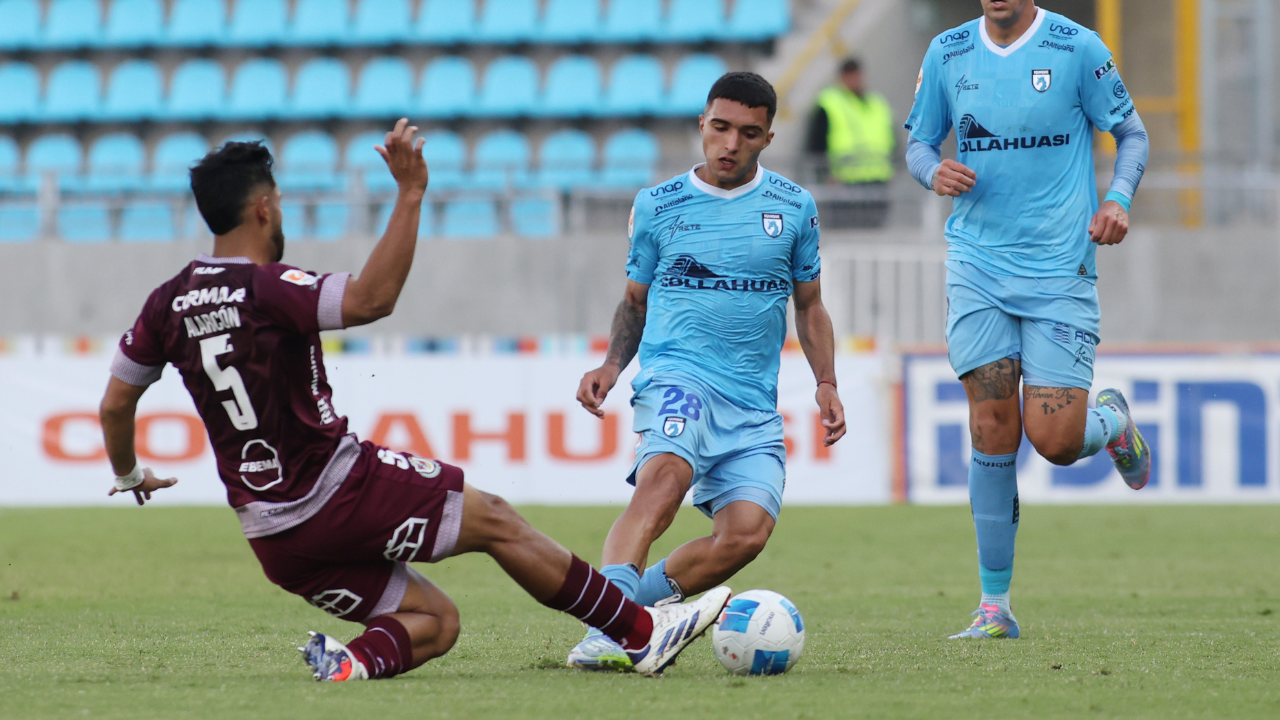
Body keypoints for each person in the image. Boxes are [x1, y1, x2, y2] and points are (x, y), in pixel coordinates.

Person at [97, 119, 730, 682]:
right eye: (281, 203)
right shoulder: (269, 288)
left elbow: (115, 403)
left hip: (273, 535)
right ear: (263, 208)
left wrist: (127, 473)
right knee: (497, 520)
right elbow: (371, 299)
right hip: (335, 490)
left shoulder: (166, 302)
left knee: (435, 620)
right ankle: (640, 634)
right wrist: (409, 194)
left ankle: (351, 662)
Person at [565, 73, 847, 671]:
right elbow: (634, 302)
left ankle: (620, 610)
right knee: (662, 481)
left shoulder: (793, 207)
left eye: (747, 133)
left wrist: (826, 381)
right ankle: (611, 632)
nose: (729, 143)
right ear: (702, 123)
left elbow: (810, 304)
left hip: (750, 402)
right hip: (677, 376)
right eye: (719, 128)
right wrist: (613, 365)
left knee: (745, 535)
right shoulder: (658, 204)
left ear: (768, 137)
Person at [903, 0, 1152, 639]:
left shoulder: (1078, 48)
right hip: (977, 265)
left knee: (1056, 442)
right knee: (990, 427)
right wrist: (934, 171)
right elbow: (919, 144)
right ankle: (994, 608)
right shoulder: (948, 53)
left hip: (1059, 270)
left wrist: (1119, 198)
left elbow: (1132, 133)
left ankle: (1111, 422)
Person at [805, 57, 896, 227]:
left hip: (877, 182)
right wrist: (824, 175)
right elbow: (815, 145)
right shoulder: (829, 103)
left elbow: (892, 139)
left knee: (873, 235)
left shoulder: (878, 104)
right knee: (846, 233)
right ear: (841, 78)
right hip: (843, 183)